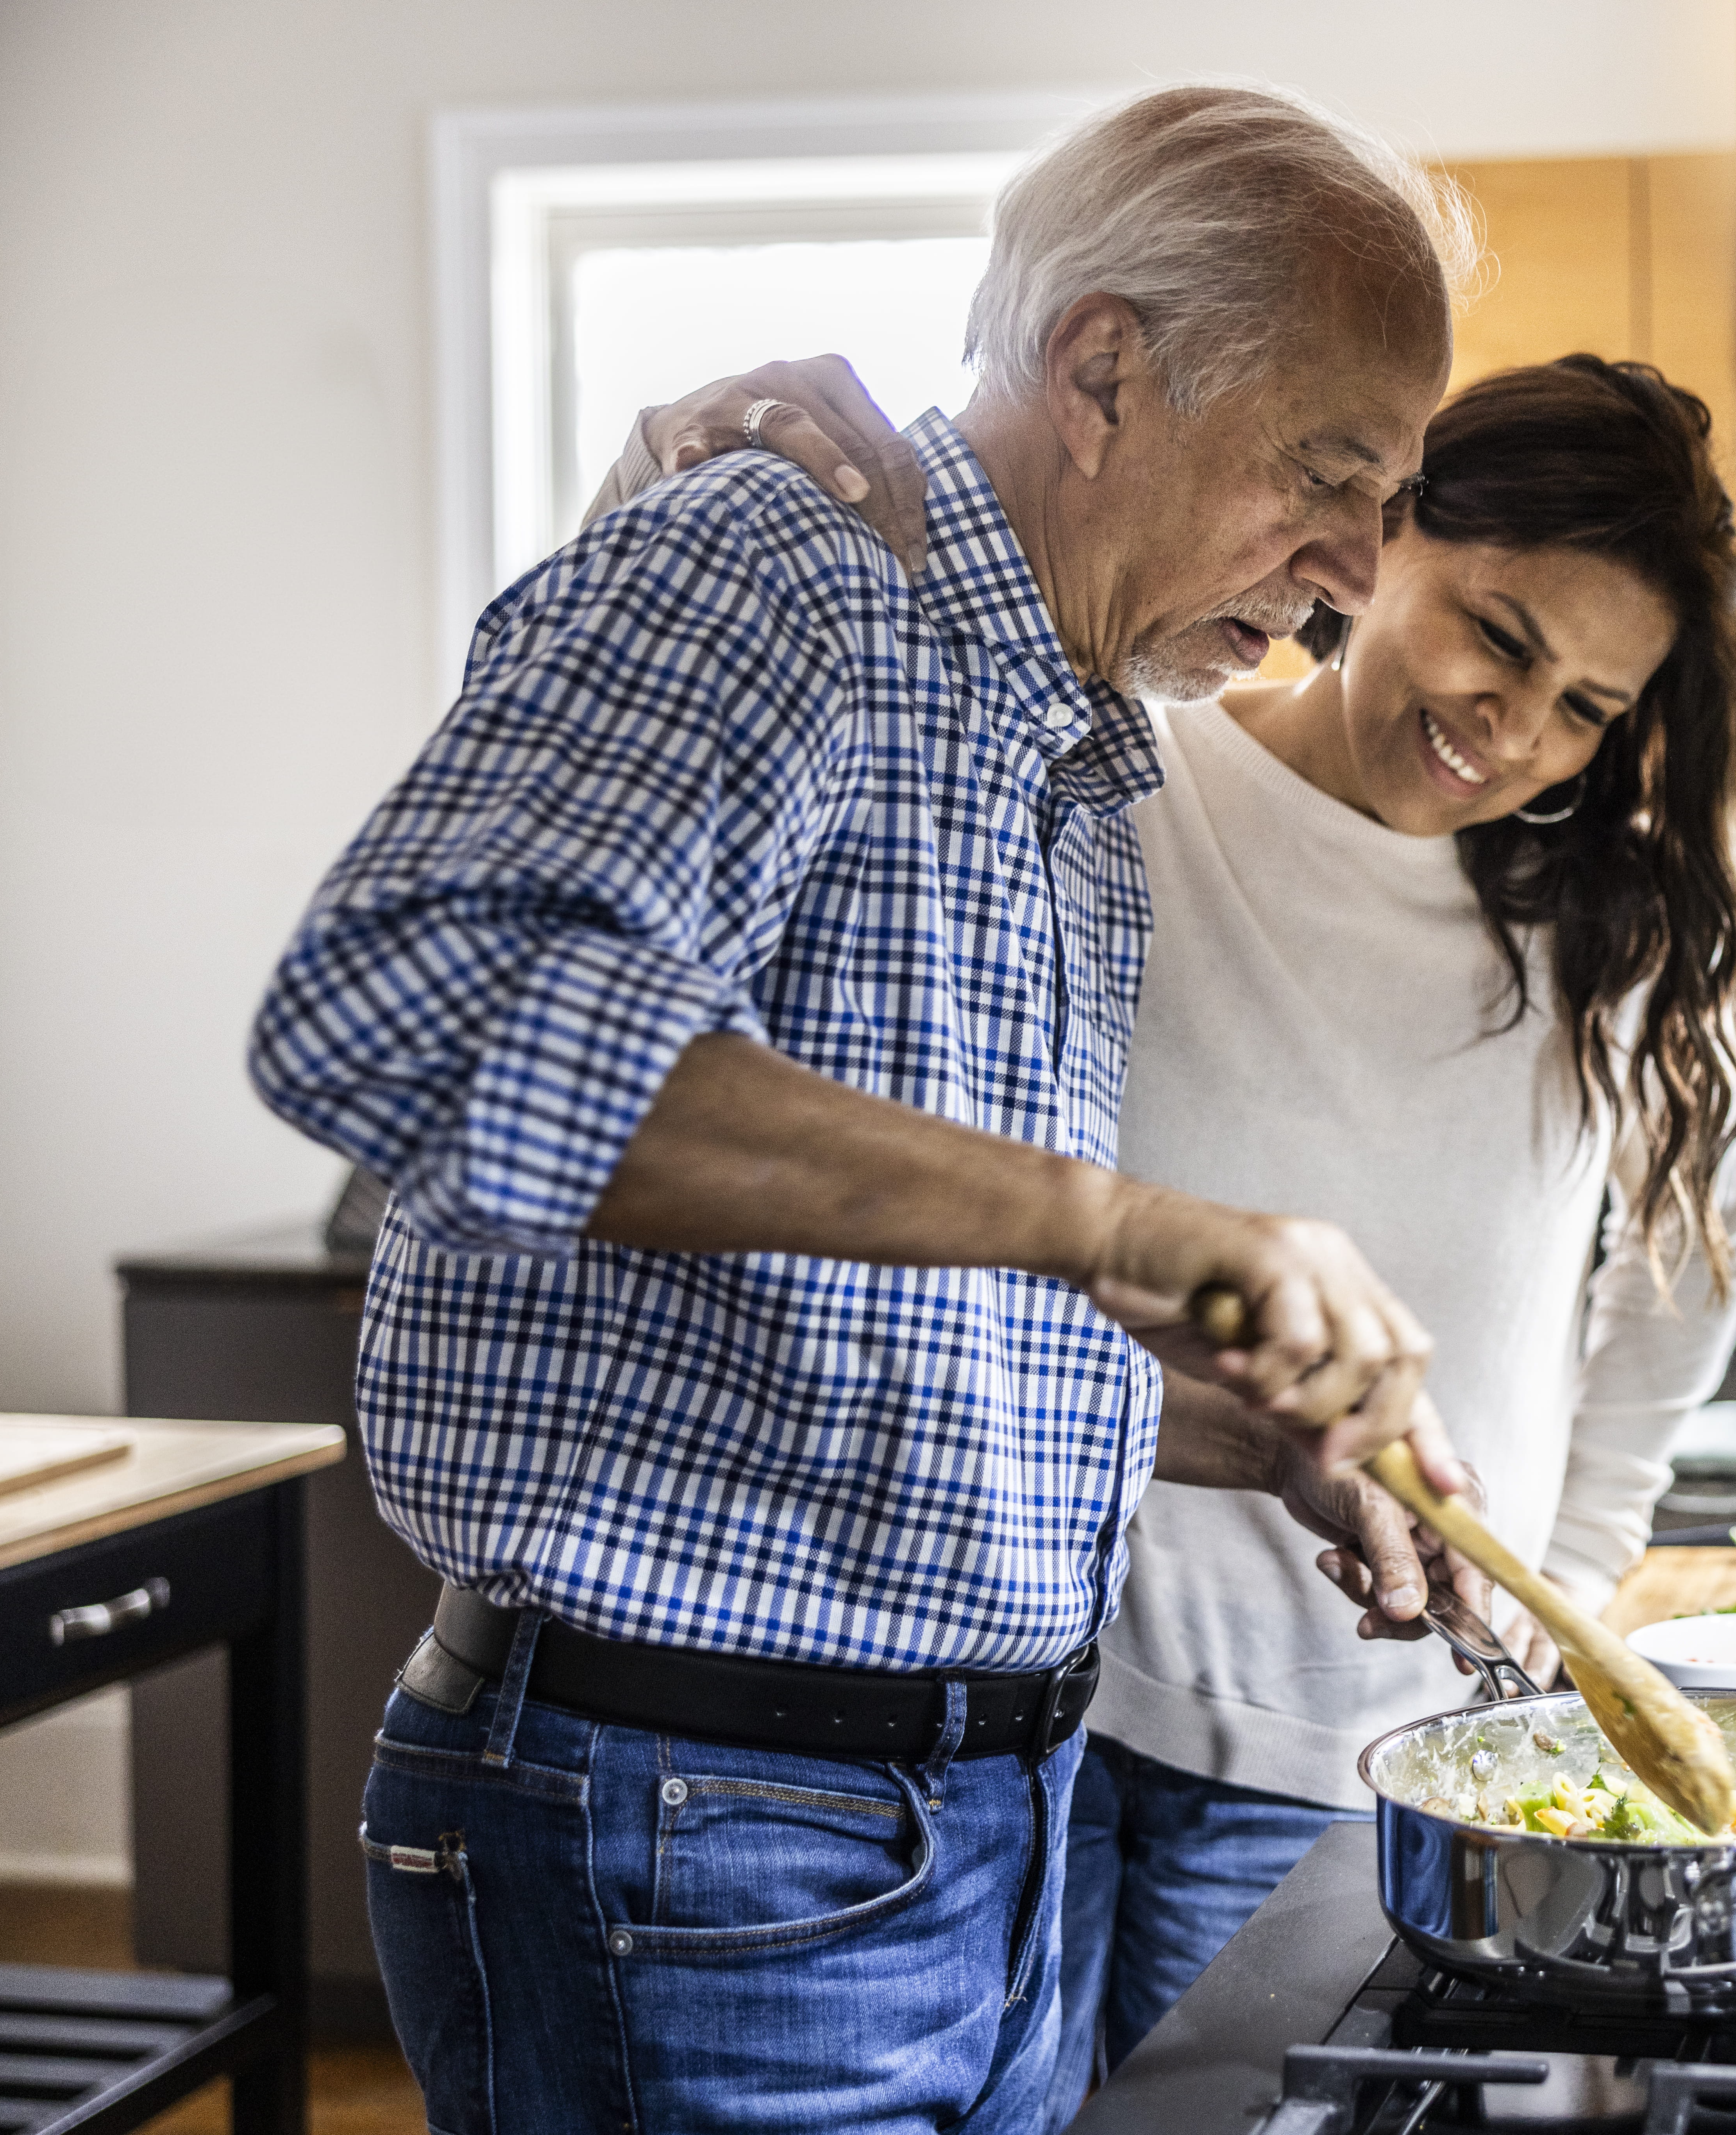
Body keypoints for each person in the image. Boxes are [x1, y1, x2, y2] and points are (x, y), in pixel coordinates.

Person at [246, 84, 1490, 2134]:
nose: (1360, 579)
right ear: (1102, 370)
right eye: (1328, 476)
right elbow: (414, 1018)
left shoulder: (1074, 757)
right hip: (703, 1833)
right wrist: (1123, 1224)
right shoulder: (775, 571)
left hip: (966, 1834)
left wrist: (1243, 1430)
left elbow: (868, 1310)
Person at [613, 350, 1736, 2115]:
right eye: (1497, 633)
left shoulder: (1603, 930)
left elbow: (1694, 1270)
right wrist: (651, 501)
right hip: (1023, 1698)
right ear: (1379, 538)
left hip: (1365, 1734)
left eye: (1587, 709)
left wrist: (1583, 1570)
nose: (1512, 730)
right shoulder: (1119, 775)